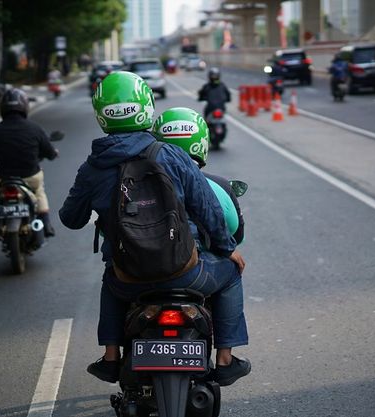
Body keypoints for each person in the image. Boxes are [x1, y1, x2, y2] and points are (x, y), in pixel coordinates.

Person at [59, 71, 251, 387]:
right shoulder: (172, 155)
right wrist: (229, 250)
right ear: (146, 106)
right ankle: (226, 361)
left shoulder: (94, 167)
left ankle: (110, 358)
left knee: (111, 277)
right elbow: (208, 209)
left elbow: (71, 218)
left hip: (129, 280)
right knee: (231, 274)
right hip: (186, 272)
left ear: (101, 114)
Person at [151, 107, 244, 246]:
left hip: (138, 262)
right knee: (233, 262)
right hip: (198, 265)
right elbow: (237, 235)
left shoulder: (134, 184)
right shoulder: (219, 186)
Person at [0, 88, 59, 238]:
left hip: (5, 179)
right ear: (24, 106)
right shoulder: (35, 128)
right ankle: (46, 223)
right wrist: (54, 153)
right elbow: (50, 152)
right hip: (31, 176)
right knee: (39, 191)